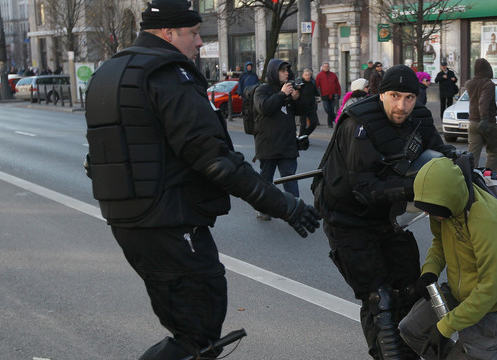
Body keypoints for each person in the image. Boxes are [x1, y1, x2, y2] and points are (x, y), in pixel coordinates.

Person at [83, 1, 321, 358]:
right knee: (198, 333)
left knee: (189, 328)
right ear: (167, 32)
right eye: (193, 33)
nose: (199, 42)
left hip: (130, 220)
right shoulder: (167, 74)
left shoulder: (110, 71)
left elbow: (97, 159)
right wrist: (283, 204)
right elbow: (217, 161)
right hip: (170, 221)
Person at [314, 64, 457, 360]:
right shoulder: (359, 125)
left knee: (412, 289)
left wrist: (461, 168)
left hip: (387, 217)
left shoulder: (419, 117)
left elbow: (439, 154)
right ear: (381, 94)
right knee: (379, 297)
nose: (401, 105)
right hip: (347, 219)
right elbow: (363, 189)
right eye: (394, 96)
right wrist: (415, 187)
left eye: (408, 97)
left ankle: (421, 350)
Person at [398, 156, 497, 360]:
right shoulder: (442, 206)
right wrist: (429, 272)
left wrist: (445, 327)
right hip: (464, 291)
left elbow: (489, 290)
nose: (428, 213)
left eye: (433, 210)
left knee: (464, 350)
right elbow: (440, 242)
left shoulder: (486, 221)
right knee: (411, 329)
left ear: (449, 199)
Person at [253, 59, 303, 220]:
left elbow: (303, 111)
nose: (286, 73)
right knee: (266, 181)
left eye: (287, 70)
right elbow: (265, 108)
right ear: (274, 72)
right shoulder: (262, 89)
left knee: (291, 179)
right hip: (268, 144)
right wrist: (282, 94)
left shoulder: (289, 89)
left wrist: (296, 99)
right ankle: (263, 208)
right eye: (283, 71)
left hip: (287, 144)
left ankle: (295, 210)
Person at [465, 58, 497, 172]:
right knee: (493, 152)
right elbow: (483, 101)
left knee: (472, 154)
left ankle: (471, 179)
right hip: (487, 122)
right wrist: (484, 119)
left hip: (473, 122)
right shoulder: (489, 84)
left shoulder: (469, 83)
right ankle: (491, 179)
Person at [296, 68, 320, 137]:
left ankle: (305, 135)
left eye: (309, 75)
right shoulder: (300, 83)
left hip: (311, 106)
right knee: (303, 124)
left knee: (314, 123)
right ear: (303, 75)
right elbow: (296, 92)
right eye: (306, 75)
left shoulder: (312, 82)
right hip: (302, 106)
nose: (307, 76)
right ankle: (301, 137)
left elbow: (316, 91)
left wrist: (318, 96)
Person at [317, 62, 341, 128]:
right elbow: (317, 85)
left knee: (332, 109)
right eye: (325, 66)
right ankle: (334, 118)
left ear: (329, 67)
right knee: (327, 109)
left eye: (327, 66)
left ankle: (330, 124)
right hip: (324, 95)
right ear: (322, 67)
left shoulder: (333, 75)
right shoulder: (319, 75)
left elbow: (337, 85)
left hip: (333, 95)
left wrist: (339, 94)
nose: (326, 67)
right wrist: (317, 94)